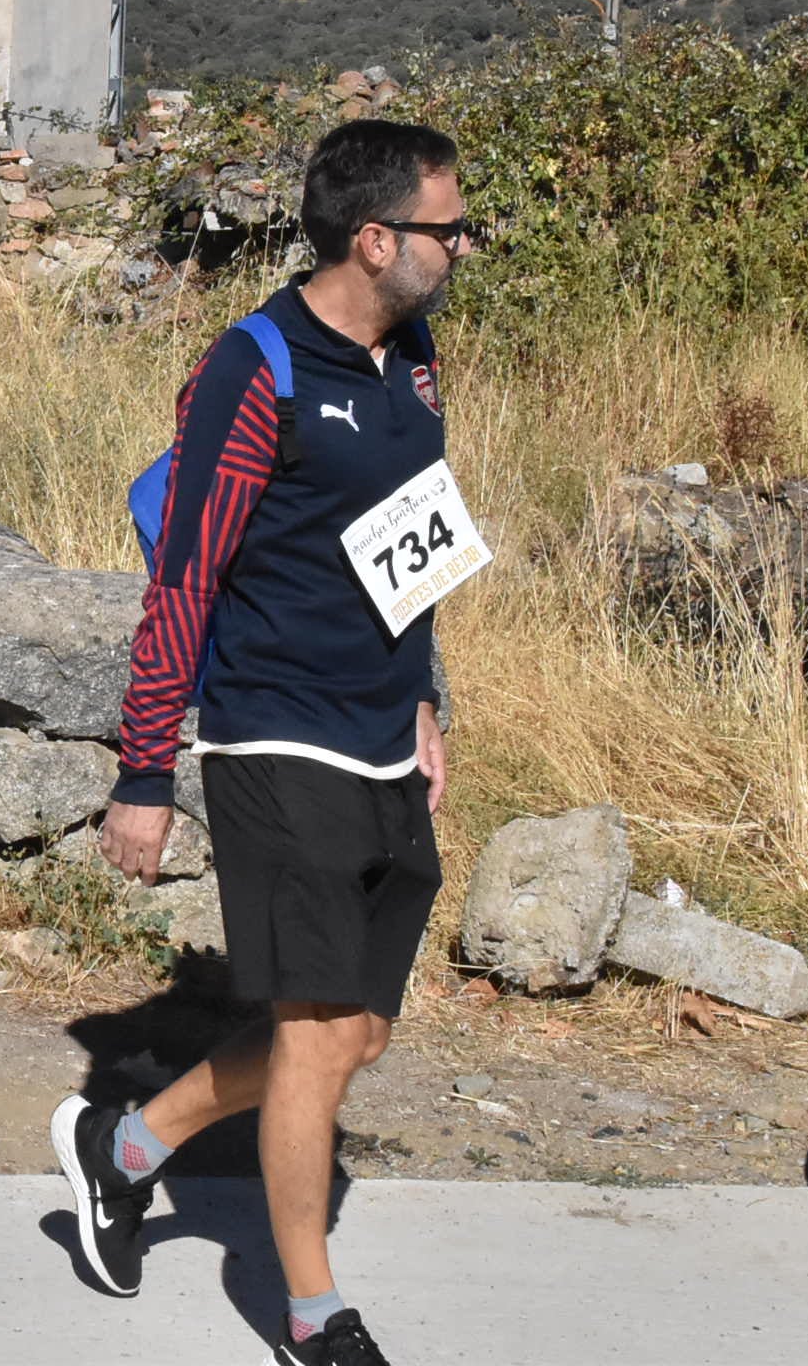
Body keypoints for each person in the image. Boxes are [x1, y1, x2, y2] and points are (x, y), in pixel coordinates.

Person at [52, 119, 480, 1366]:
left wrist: (424, 699)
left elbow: (417, 532)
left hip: (379, 732)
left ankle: (124, 1145)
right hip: (273, 730)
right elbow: (185, 574)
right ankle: (311, 1311)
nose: (462, 247)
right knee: (308, 1031)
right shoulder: (255, 366)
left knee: (358, 1033)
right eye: (448, 228)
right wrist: (145, 769)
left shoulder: (413, 358)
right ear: (374, 236)